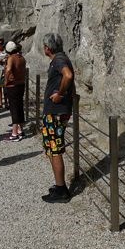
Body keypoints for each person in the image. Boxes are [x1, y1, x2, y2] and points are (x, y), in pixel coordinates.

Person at [40, 33, 76, 203]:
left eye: (44, 46)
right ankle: (59, 185)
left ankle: (61, 190)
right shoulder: (61, 58)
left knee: (55, 150)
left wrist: (60, 94)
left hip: (55, 112)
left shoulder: (59, 60)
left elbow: (68, 75)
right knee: (53, 149)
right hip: (57, 111)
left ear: (48, 48)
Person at [4, 41, 27, 142]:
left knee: (14, 108)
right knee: (19, 106)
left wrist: (6, 80)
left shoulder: (11, 58)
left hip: (12, 85)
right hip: (21, 84)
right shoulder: (21, 58)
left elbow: (9, 69)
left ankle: (14, 133)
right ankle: (20, 130)